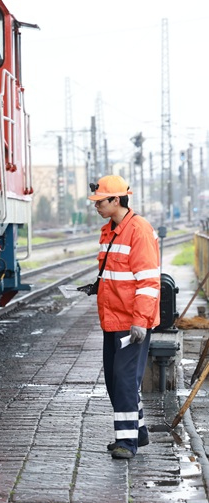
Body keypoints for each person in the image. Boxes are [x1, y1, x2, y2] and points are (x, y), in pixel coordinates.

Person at [86, 175, 160, 460]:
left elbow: (148, 281)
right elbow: (114, 274)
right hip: (111, 319)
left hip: (132, 322)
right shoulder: (109, 231)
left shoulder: (138, 230)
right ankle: (138, 432)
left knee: (125, 379)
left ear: (116, 200)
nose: (96, 207)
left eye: (100, 202)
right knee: (114, 381)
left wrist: (140, 321)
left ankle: (126, 442)